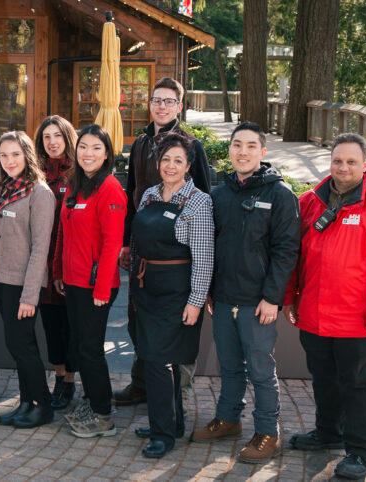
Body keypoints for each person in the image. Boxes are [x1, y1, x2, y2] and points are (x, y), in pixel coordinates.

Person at [283, 133, 366, 480]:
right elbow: (295, 255)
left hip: (359, 321)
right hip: (314, 315)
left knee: (357, 385)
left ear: (365, 165)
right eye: (338, 160)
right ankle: (328, 433)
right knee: (324, 380)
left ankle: (360, 451)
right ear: (330, 162)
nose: (343, 167)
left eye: (352, 162)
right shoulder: (309, 201)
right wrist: (291, 296)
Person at [191, 122, 299, 464]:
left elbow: (286, 251)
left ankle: (268, 432)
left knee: (261, 371)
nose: (242, 152)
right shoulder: (218, 195)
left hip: (258, 303)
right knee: (230, 367)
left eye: (251, 146)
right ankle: (228, 419)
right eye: (237, 145)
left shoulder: (280, 195)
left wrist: (273, 298)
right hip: (223, 299)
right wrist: (209, 290)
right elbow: (209, 246)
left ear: (262, 152)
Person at [117, 77, 211, 407]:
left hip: (177, 253)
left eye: (169, 101)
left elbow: (203, 198)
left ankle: (175, 400)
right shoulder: (141, 142)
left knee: (176, 330)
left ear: (180, 106)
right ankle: (143, 384)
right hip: (143, 247)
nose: (161, 106)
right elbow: (133, 195)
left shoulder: (189, 146)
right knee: (138, 319)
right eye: (157, 100)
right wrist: (129, 242)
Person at [129, 134, 214, 458]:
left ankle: (162, 434)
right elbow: (139, 238)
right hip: (146, 290)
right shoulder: (150, 194)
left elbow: (205, 257)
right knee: (161, 360)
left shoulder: (199, 202)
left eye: (178, 160)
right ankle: (173, 422)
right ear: (158, 162)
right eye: (166, 159)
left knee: (158, 360)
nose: (171, 166)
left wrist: (195, 302)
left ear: (189, 166)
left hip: (177, 294)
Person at [53, 124, 126, 438]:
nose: (88, 153)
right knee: (81, 347)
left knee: (91, 349)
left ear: (107, 153)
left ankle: (102, 415)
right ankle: (95, 397)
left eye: (96, 147)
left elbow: (112, 243)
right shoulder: (75, 185)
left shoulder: (110, 188)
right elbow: (63, 234)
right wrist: (58, 271)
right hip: (73, 282)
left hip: (97, 286)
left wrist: (101, 288)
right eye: (83, 146)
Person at [0, 131, 56, 429]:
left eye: (15, 154)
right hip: (1, 280)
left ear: (27, 155)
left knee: (24, 346)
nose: (9, 160)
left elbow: (40, 248)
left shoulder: (39, 193)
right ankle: (27, 402)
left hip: (22, 285)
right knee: (16, 345)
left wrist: (30, 296)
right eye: (4, 155)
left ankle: (42, 406)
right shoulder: (3, 189)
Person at [34, 115, 78, 410]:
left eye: (57, 136)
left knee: (71, 324)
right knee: (50, 323)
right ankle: (58, 377)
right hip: (41, 262)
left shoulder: (78, 173)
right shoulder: (35, 174)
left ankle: (71, 380)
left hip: (71, 261)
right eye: (46, 137)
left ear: (67, 138)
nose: (52, 142)